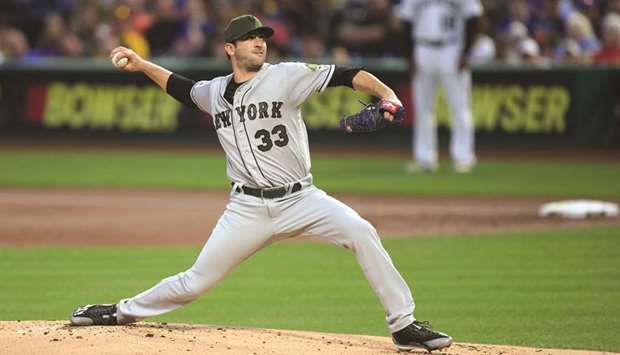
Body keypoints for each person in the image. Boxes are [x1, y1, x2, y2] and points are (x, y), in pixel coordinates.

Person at [68, 14, 452, 352]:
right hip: (247, 208)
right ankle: (119, 312)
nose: (260, 42)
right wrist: (141, 64)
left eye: (263, 37)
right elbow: (182, 89)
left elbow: (347, 75)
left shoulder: (286, 76)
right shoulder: (215, 92)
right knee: (194, 282)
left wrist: (387, 95)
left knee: (361, 231)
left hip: (303, 199)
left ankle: (403, 325)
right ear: (230, 48)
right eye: (252, 38)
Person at [396, 0, 482, 173]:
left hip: (452, 47)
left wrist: (466, 52)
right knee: (423, 108)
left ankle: (463, 157)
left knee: (459, 106)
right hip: (422, 47)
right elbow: (405, 22)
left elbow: (474, 19)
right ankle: (424, 158)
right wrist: (409, 54)